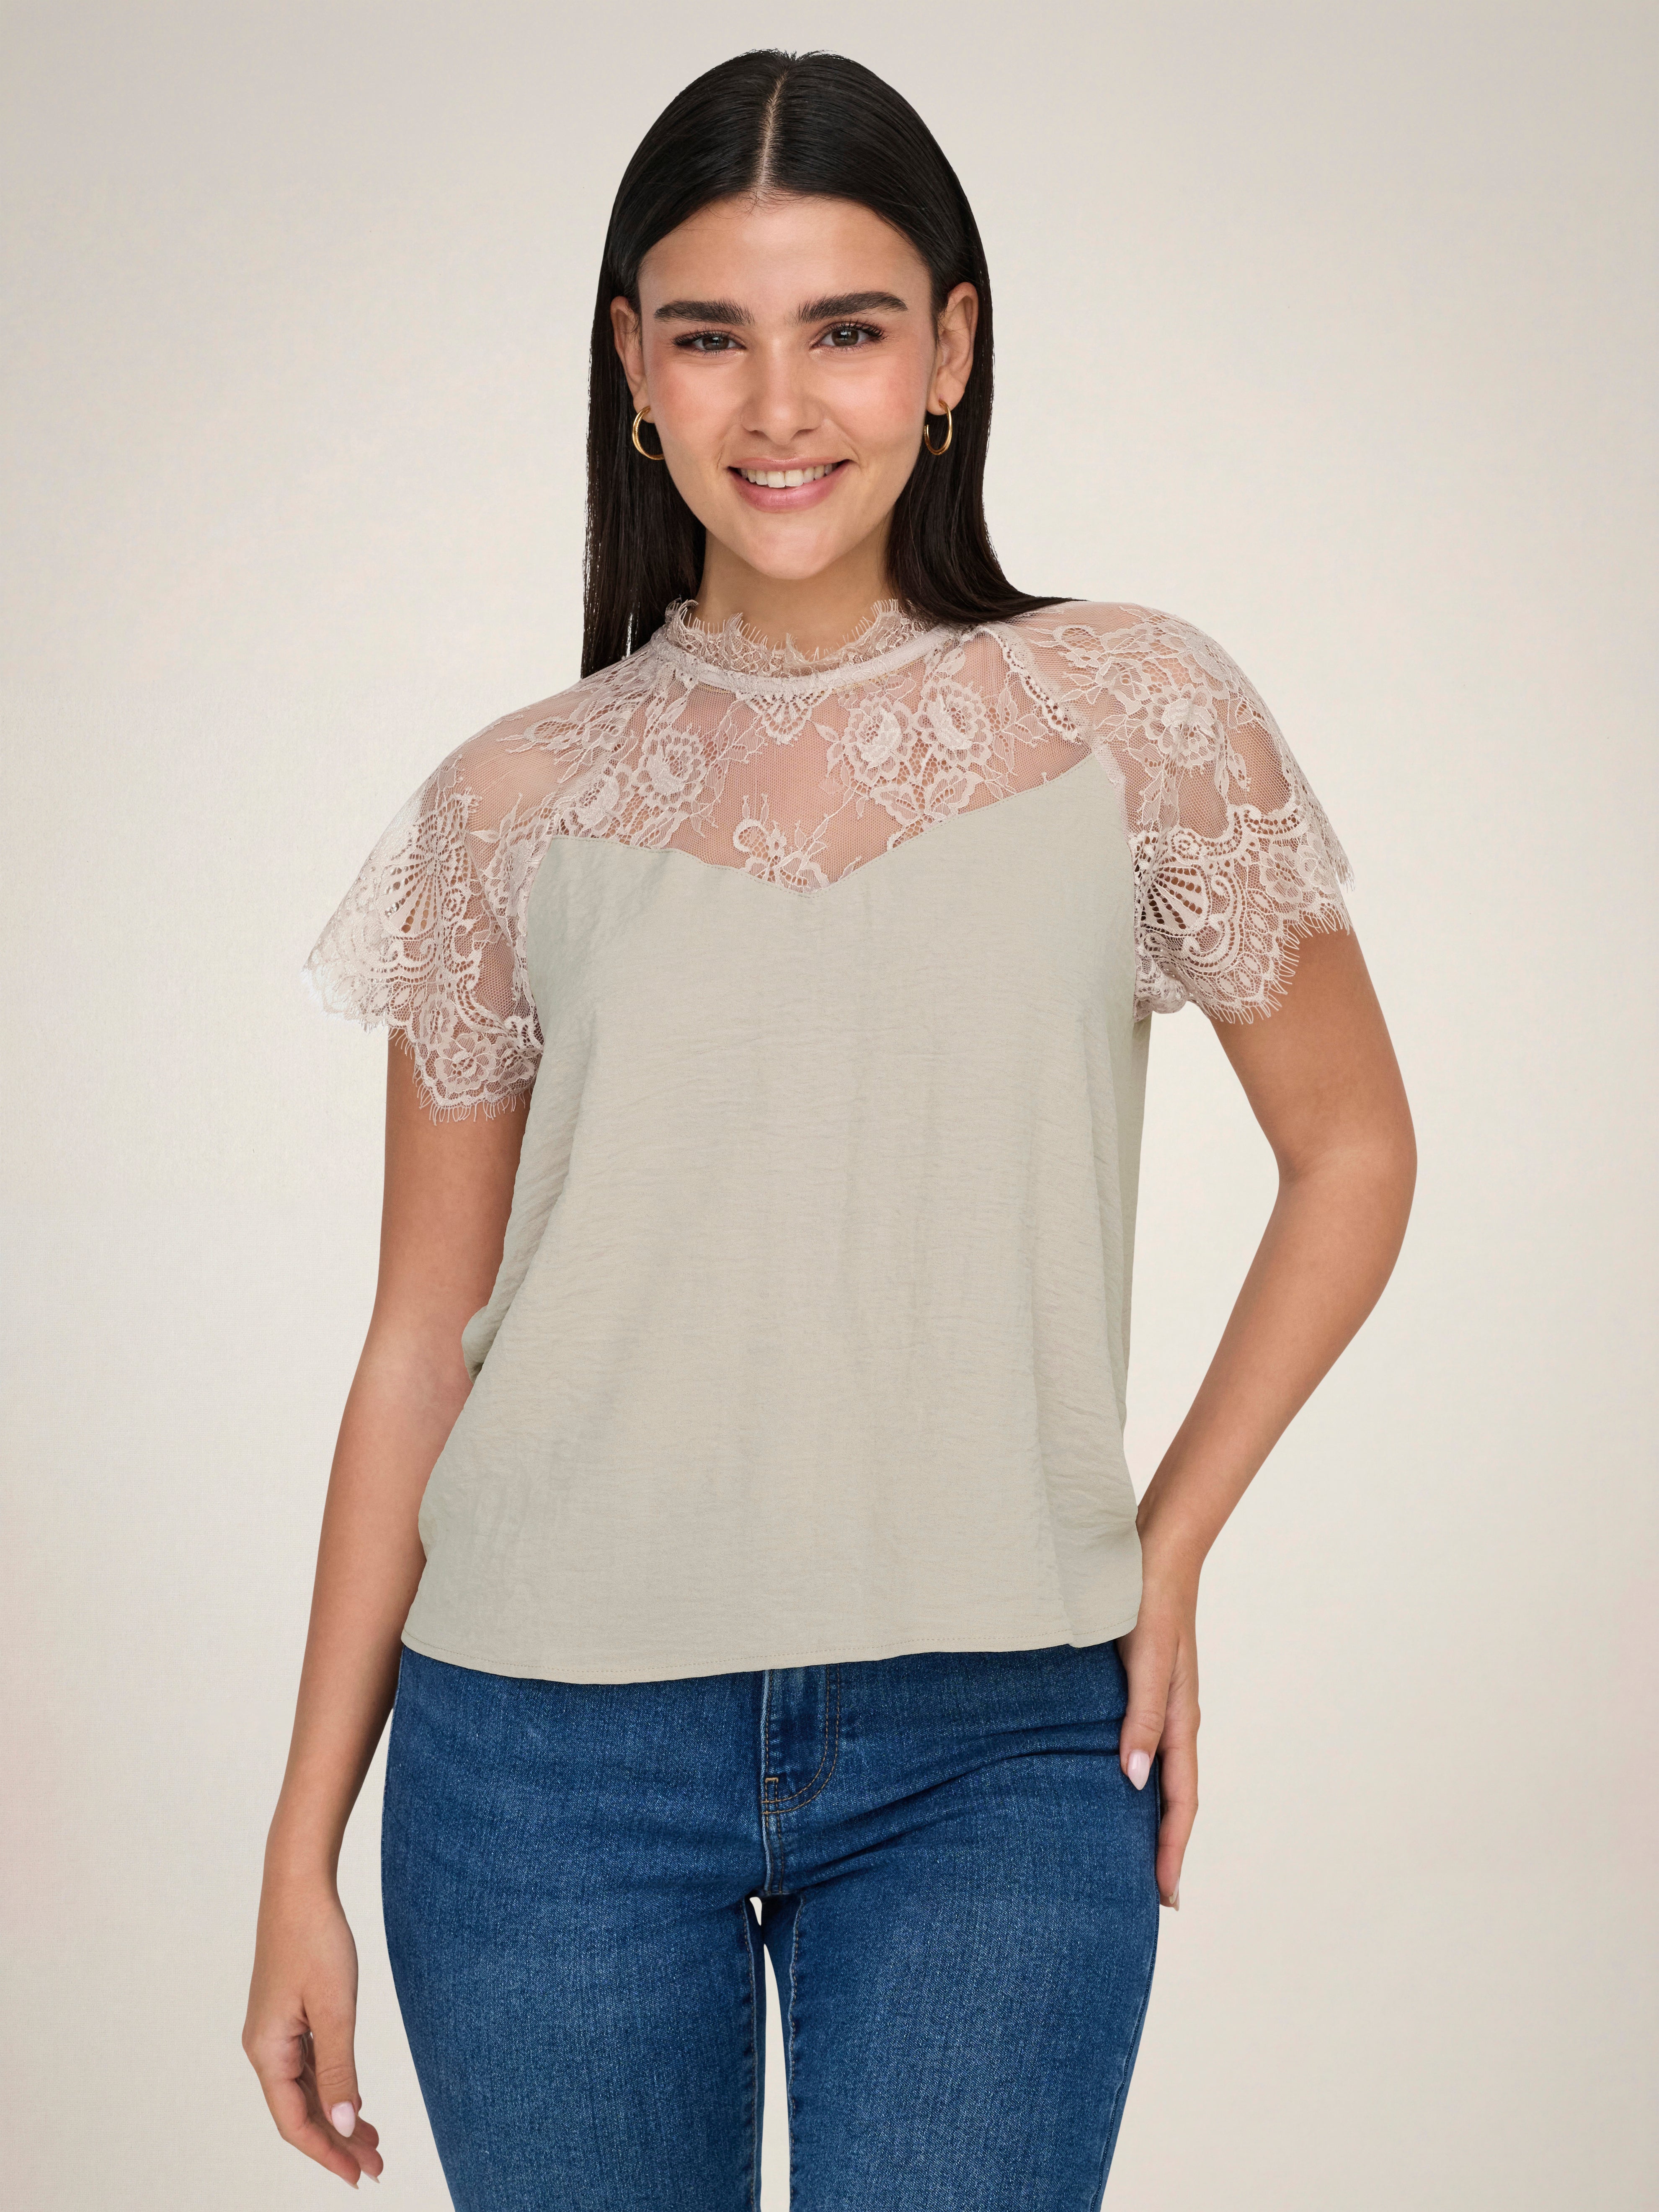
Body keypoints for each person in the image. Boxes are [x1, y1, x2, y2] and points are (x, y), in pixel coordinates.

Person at [243, 46, 1415, 2209]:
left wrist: (1166, 1549)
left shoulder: (1133, 715)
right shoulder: (512, 803)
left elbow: (1354, 1153)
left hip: (1000, 1750)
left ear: (951, 352)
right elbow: (422, 1339)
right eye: (713, 336)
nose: (780, 406)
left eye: (847, 330)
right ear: (632, 366)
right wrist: (297, 1846)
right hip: (541, 1765)